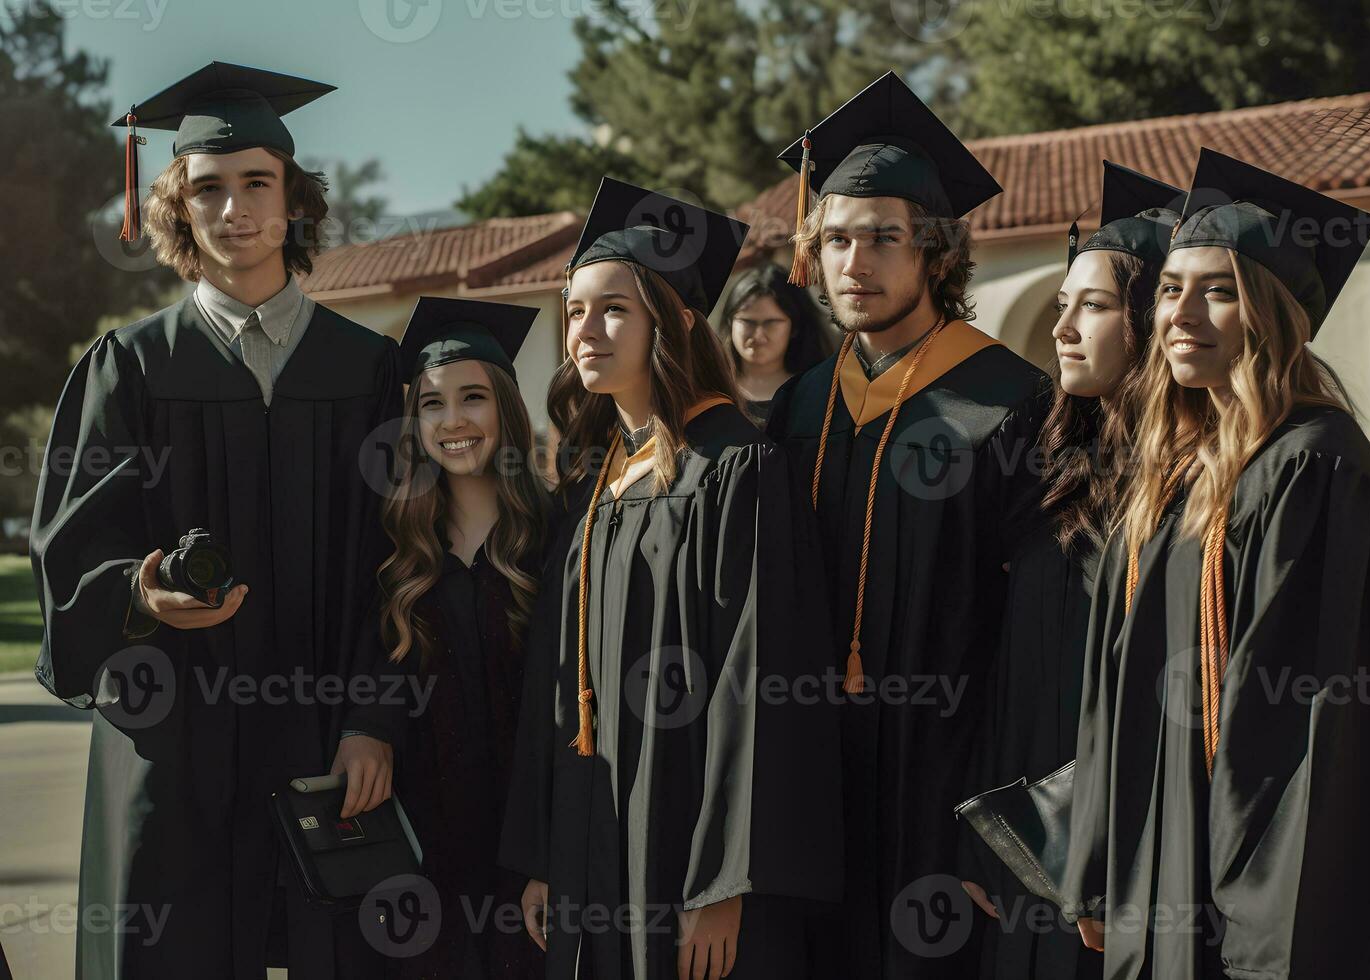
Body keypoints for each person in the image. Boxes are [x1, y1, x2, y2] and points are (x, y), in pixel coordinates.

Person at [30, 63, 402, 977]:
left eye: (256, 183)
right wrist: (142, 596)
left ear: (297, 202)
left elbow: (404, 564)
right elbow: (73, 547)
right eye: (207, 188)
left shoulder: (367, 371)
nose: (233, 208)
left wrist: (372, 716)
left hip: (325, 730)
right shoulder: (133, 366)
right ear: (176, 209)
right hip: (174, 733)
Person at [1062, 149, 1370, 978]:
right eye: (1171, 289)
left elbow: (1309, 730)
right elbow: (1112, 691)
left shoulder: (1316, 466)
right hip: (1158, 869)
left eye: (1220, 290)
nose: (1183, 313)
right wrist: (1096, 871)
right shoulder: (1169, 477)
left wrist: (1263, 928)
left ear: (1271, 314)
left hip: (1257, 905)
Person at [499, 178, 843, 980]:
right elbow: (556, 687)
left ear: (676, 321)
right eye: (575, 311)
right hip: (591, 837)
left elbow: (761, 683)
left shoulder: (740, 470)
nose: (587, 331)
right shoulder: (594, 486)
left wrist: (727, 883)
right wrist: (547, 854)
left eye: (615, 310)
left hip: (690, 854)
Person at [765, 72, 1049, 978]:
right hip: (809, 789)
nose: (855, 263)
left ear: (933, 251)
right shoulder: (800, 405)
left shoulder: (1008, 402)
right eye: (837, 239)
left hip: (946, 790)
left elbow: (1039, 637)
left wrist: (996, 828)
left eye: (883, 238)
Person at [962, 163, 1182, 980]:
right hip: (1031, 849)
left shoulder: (1201, 497)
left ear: (1155, 320)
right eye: (1061, 305)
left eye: (1091, 305)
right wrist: (983, 832)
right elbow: (996, 664)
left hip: (1141, 861)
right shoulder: (1046, 476)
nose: (1061, 328)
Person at [379, 297, 549, 977]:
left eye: (473, 398)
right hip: (426, 854)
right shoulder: (395, 554)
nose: (452, 422)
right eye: (431, 404)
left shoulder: (560, 537)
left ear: (506, 407)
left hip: (532, 848)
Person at [717, 263, 833, 428]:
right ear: (730, 323)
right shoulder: (707, 388)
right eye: (747, 321)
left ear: (794, 327)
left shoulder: (818, 394)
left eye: (771, 322)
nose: (758, 335)